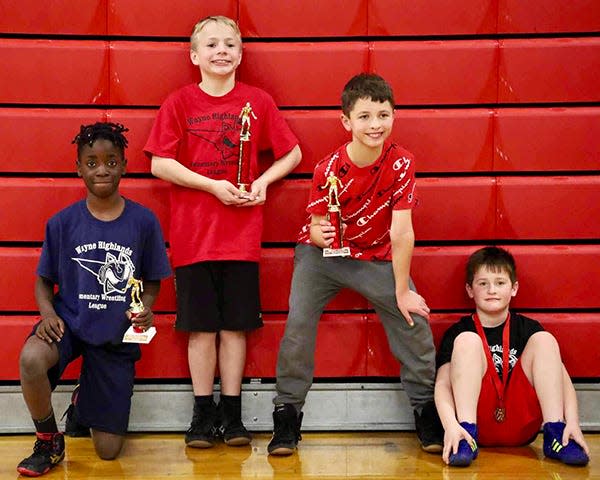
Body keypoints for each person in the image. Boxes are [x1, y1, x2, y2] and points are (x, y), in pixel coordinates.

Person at [144, 15, 301, 448]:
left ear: (241, 54)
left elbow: (293, 152)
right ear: (195, 55)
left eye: (230, 45)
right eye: (211, 45)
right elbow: (159, 163)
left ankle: (232, 416)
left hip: (241, 238)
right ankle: (202, 413)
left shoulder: (258, 101)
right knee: (200, 329)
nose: (221, 52)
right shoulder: (178, 103)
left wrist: (263, 182)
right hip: (194, 239)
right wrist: (212, 185)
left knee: (234, 328)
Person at [267, 73, 443, 456]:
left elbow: (402, 232)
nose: (375, 125)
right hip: (322, 259)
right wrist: (319, 236)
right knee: (297, 324)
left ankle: (426, 408)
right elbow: (315, 226)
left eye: (383, 115)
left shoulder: (402, 163)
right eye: (364, 117)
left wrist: (401, 292)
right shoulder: (327, 168)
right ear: (346, 121)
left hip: (377, 256)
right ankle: (287, 411)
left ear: (394, 115)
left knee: (413, 319)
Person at [16, 122, 172, 477]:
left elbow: (152, 281)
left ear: (124, 165)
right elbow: (43, 281)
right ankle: (48, 441)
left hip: (114, 336)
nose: (102, 169)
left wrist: (145, 307)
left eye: (111, 161)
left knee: (107, 452)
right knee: (31, 358)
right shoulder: (62, 223)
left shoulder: (143, 222)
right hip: (70, 322)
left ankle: (82, 401)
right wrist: (46, 313)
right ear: (79, 168)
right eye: (92, 162)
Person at [435, 246, 590, 467]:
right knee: (467, 340)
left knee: (544, 340)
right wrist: (451, 425)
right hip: (475, 423)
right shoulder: (458, 331)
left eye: (500, 283)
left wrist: (572, 422)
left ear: (514, 288)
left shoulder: (528, 328)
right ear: (470, 289)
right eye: (483, 283)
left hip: (522, 423)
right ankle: (465, 439)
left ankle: (556, 433)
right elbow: (442, 385)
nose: (491, 290)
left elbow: (563, 382)